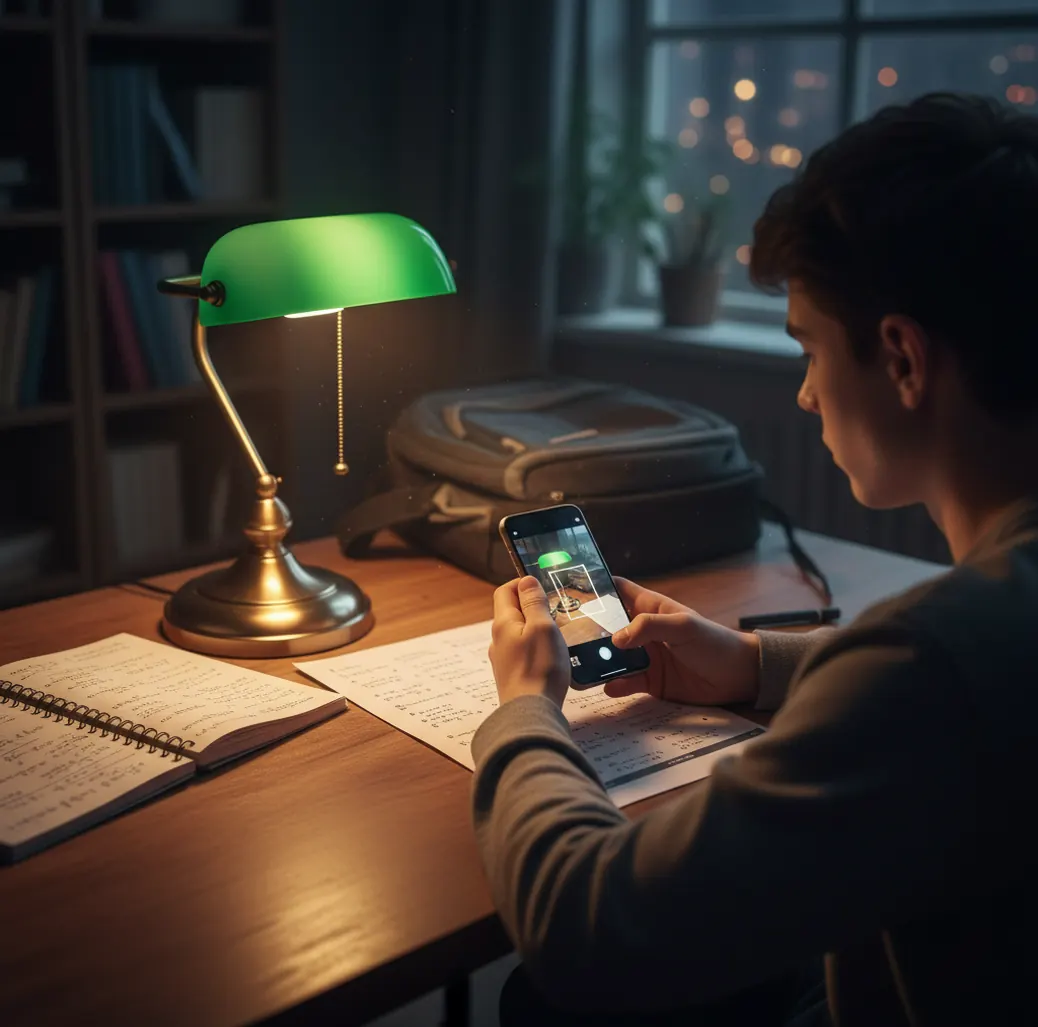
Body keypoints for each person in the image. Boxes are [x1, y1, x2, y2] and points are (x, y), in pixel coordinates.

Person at [471, 92, 1038, 1027]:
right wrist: (753, 662)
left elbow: (589, 929)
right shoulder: (985, 621)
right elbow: (968, 687)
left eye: (809, 349)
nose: (809, 396)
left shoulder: (928, 665)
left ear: (902, 358)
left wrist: (526, 709)